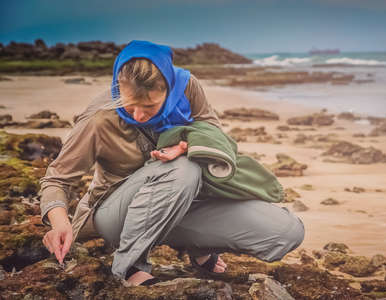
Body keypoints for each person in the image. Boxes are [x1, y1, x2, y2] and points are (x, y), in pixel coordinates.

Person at [39, 40, 305, 287]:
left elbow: (213, 133)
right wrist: (60, 222)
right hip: (114, 214)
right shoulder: (99, 118)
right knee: (183, 169)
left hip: (180, 205)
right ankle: (129, 266)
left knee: (286, 231)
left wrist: (183, 144)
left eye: (149, 106)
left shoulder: (187, 88)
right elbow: (56, 179)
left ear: (167, 88)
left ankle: (198, 247)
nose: (139, 116)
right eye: (130, 107)